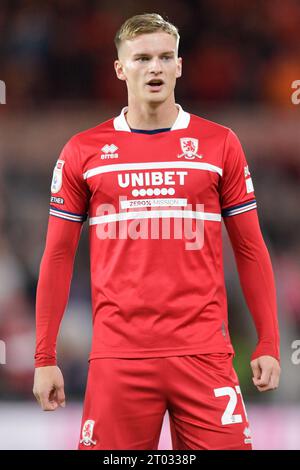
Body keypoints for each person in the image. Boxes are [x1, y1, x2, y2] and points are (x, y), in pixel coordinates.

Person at [33, 13, 281, 450]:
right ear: (119, 68)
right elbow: (57, 256)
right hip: (118, 359)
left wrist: (268, 340)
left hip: (205, 356)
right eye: (142, 58)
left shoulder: (219, 144)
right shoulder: (84, 151)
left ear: (180, 66)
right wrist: (45, 357)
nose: (155, 68)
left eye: (166, 57)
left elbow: (251, 247)